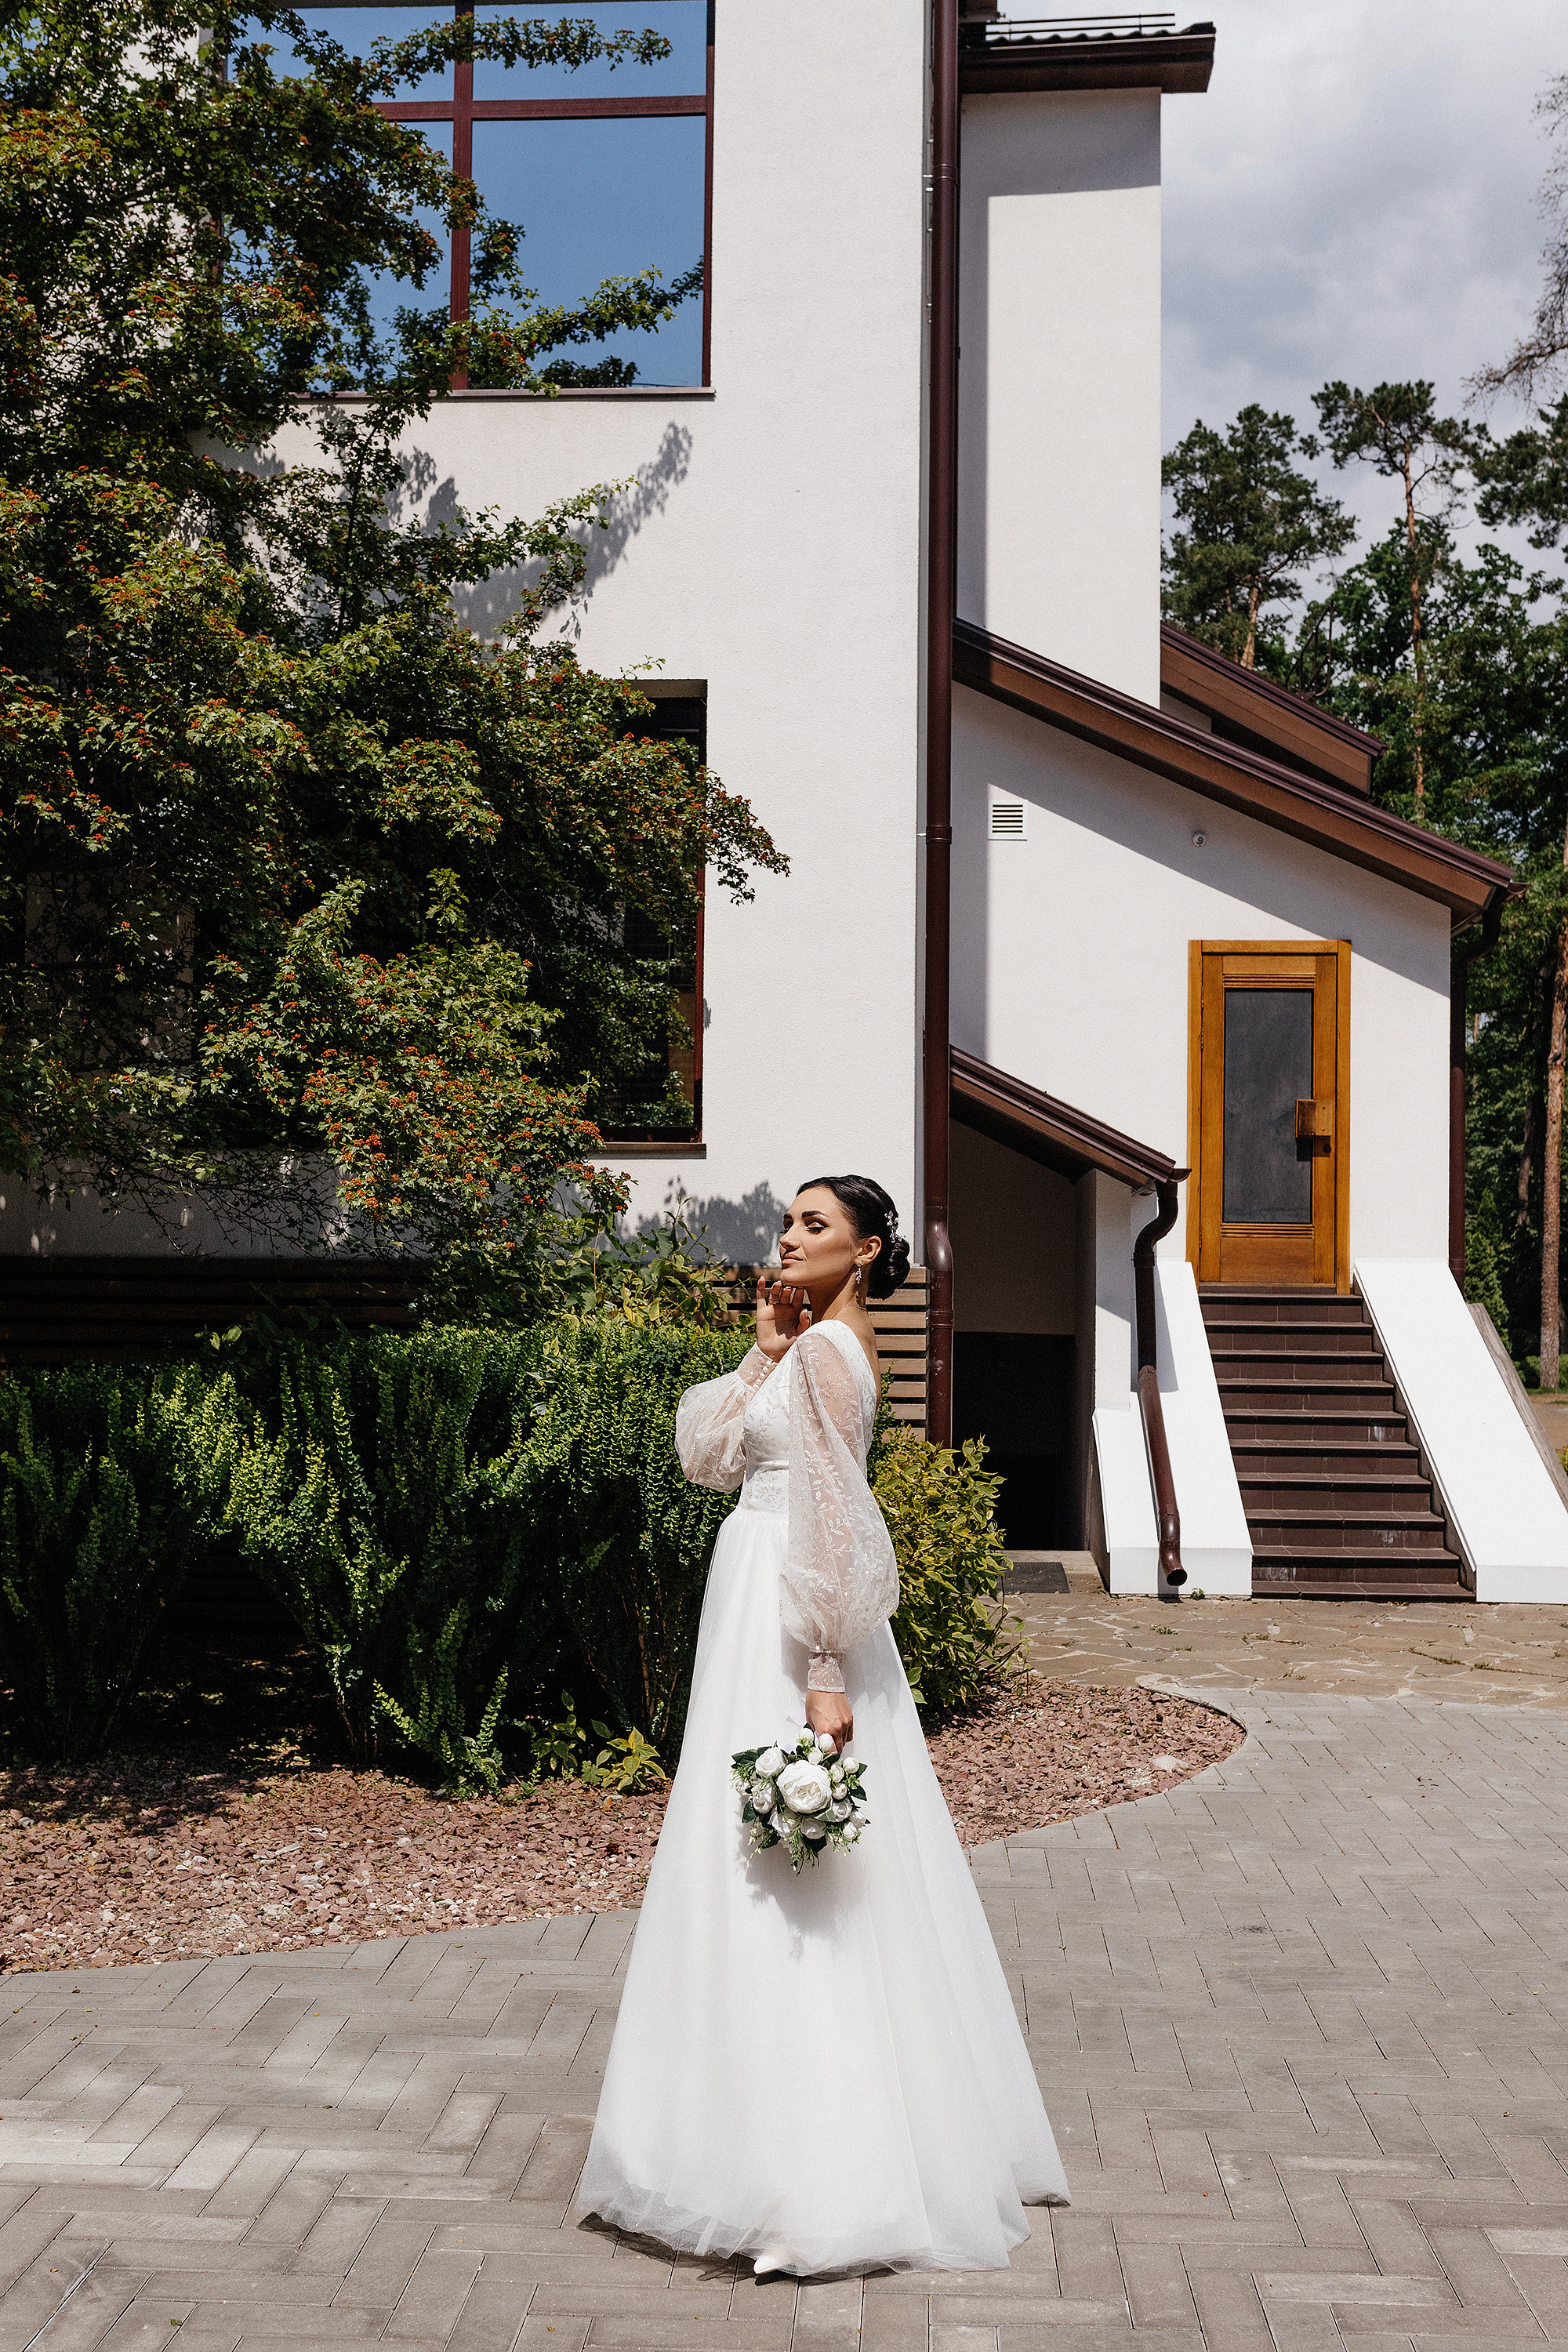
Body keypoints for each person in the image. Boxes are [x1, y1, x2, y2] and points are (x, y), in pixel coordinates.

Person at [577, 1175, 1069, 2277]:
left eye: (815, 1226)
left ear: (867, 1249)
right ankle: (726, 2141)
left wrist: (829, 1670)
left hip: (794, 1624)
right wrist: (760, 1344)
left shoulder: (840, 1357)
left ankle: (818, 2168)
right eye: (788, 1222)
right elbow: (707, 1458)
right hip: (753, 1595)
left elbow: (836, 1512)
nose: (788, 1239)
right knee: (749, 1860)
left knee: (796, 1868)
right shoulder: (803, 1350)